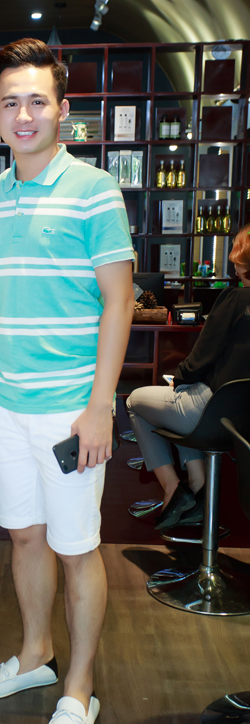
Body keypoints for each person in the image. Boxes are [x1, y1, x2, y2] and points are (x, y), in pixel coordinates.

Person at [0, 38, 135, 724]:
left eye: (38, 100)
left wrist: (101, 405)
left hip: (71, 410)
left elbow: (119, 300)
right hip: (9, 405)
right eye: (11, 103)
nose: (24, 115)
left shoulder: (94, 189)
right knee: (25, 536)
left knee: (76, 548)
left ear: (63, 109)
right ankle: (35, 654)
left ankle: (79, 685)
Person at [127, 225, 250, 530]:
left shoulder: (234, 299)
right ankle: (198, 485)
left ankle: (173, 489)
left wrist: (178, 379)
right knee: (184, 393)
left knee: (134, 402)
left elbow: (201, 357)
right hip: (242, 424)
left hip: (211, 413)